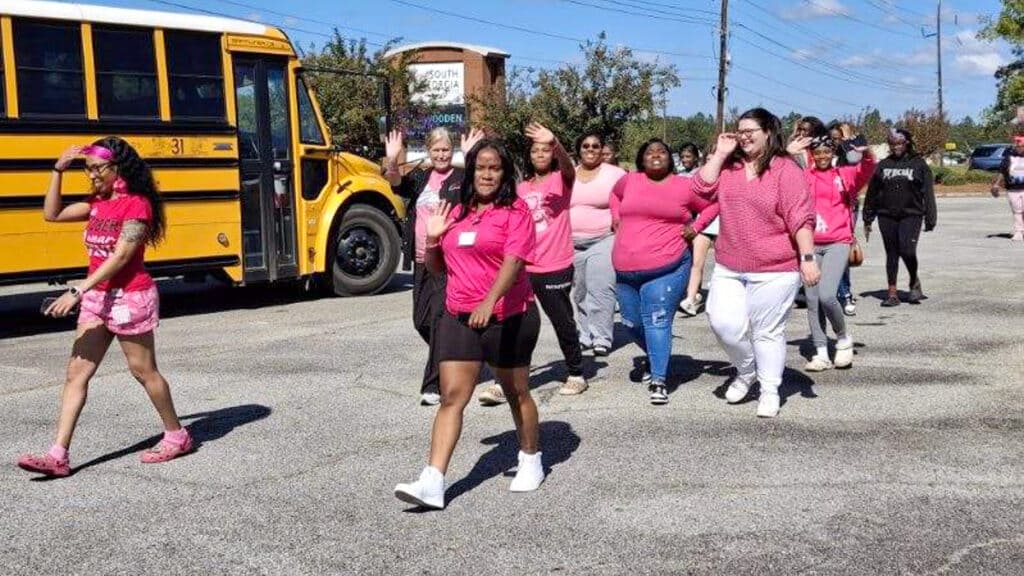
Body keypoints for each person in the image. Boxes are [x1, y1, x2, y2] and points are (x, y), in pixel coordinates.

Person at [17, 137, 192, 478]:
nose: (92, 176)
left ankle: (177, 434)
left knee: (143, 371)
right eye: (88, 170)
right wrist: (58, 170)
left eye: (97, 169)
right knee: (76, 373)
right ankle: (58, 455)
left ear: (118, 169)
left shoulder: (137, 205)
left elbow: (123, 256)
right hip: (97, 298)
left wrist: (77, 290)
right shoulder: (96, 203)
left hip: (130, 297)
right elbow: (51, 214)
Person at [394, 139, 543, 510]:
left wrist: (490, 301)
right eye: (481, 167)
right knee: (451, 398)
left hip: (509, 316)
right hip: (459, 316)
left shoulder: (516, 211)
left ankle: (530, 458)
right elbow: (437, 268)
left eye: (495, 168)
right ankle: (433, 480)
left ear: (505, 173)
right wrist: (432, 239)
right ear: (470, 171)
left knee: (515, 392)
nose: (487, 174)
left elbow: (515, 261)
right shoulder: (457, 212)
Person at [693, 108, 820, 418]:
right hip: (730, 263)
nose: (744, 135)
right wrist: (721, 154)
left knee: (767, 332)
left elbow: (800, 216)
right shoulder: (730, 167)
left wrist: (807, 258)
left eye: (751, 130)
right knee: (723, 324)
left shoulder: (784, 169)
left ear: (768, 132)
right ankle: (748, 369)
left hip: (775, 267)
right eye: (740, 130)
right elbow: (700, 189)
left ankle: (769, 389)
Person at [478, 122, 587, 403]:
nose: (541, 154)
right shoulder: (520, 188)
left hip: (554, 264)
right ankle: (504, 381)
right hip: (523, 267)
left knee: (562, 321)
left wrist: (556, 142)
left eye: (545, 150)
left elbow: (569, 169)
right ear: (529, 156)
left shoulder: (561, 180)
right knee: (511, 324)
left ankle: (576, 373)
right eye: (536, 150)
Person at [611, 138, 718, 405]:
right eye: (649, 152)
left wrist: (697, 226)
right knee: (631, 324)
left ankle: (659, 378)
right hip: (625, 269)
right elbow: (614, 195)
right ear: (641, 158)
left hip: (667, 267)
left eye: (661, 152)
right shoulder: (630, 181)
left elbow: (713, 204)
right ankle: (656, 353)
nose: (656, 155)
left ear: (670, 158)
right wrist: (615, 217)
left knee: (656, 320)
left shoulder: (684, 186)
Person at [384, 127, 484, 405]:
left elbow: (482, 180)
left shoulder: (461, 178)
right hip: (420, 259)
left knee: (440, 320)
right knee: (421, 321)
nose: (441, 155)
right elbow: (394, 182)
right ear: (428, 151)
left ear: (452, 152)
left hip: (448, 260)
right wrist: (392, 160)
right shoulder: (420, 177)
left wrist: (472, 154)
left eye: (446, 150)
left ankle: (433, 384)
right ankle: (459, 351)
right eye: (436, 150)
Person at [802, 134, 875, 372]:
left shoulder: (844, 175)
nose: (822, 156)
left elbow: (866, 170)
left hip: (838, 242)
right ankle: (821, 352)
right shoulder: (805, 177)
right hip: (810, 243)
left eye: (826, 151)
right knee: (812, 301)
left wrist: (866, 153)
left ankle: (843, 338)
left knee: (826, 295)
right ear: (812, 155)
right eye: (817, 152)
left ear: (833, 153)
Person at [863, 129, 937, 306]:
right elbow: (872, 192)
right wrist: (868, 217)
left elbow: (928, 193)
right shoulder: (883, 165)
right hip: (886, 215)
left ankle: (913, 281)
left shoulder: (919, 164)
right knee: (892, 253)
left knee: (907, 250)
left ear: (907, 143)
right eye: (892, 143)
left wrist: (930, 217)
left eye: (899, 143)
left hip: (911, 214)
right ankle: (892, 293)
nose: (896, 146)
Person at [570, 132, 625, 358]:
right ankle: (585, 334)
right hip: (571, 242)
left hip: (604, 238)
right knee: (579, 290)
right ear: (579, 150)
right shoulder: (568, 174)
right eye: (585, 146)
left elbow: (629, 200)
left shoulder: (616, 174)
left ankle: (602, 337)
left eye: (595, 146)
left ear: (602, 150)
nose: (590, 150)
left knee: (600, 287)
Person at [828, 122, 866, 316]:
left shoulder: (847, 155)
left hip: (846, 205)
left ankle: (845, 293)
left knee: (841, 248)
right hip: (825, 207)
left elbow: (857, 158)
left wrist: (848, 140)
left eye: (837, 138)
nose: (833, 142)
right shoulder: (821, 155)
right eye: (831, 138)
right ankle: (836, 292)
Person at [676, 142, 717, 317]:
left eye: (713, 159)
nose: (711, 162)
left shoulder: (729, 176)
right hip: (702, 222)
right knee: (696, 262)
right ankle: (691, 298)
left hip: (723, 223)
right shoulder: (694, 176)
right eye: (708, 160)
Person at [990, 132, 1024, 242]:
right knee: (1017, 211)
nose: (1018, 147)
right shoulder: (1009, 157)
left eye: (1021, 145)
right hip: (1012, 189)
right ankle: (1019, 231)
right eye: (1017, 145)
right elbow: (1002, 171)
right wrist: (996, 184)